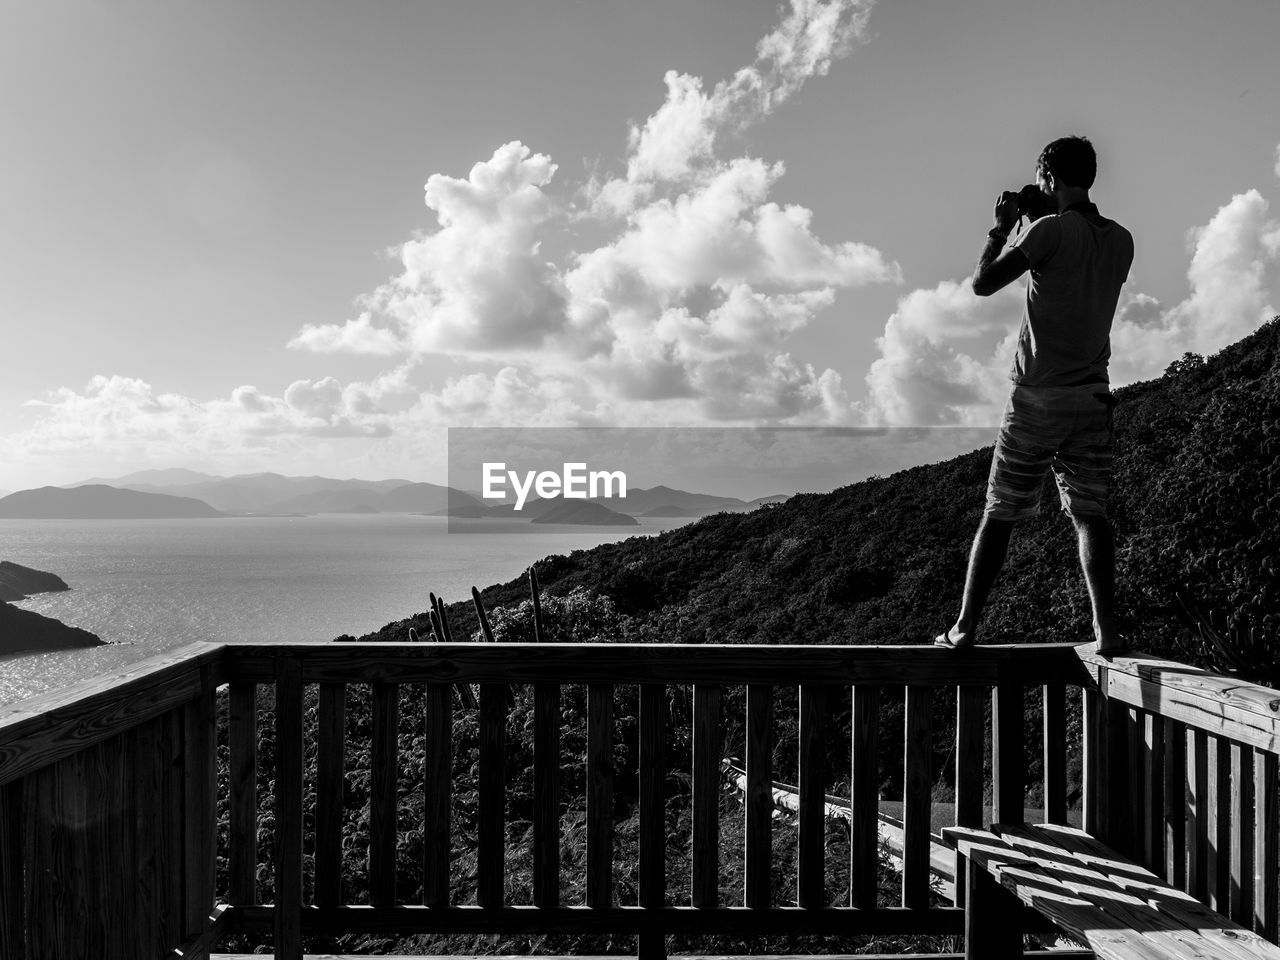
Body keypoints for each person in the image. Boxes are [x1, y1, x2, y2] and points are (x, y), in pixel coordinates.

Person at [935, 135, 1134, 656]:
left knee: (1001, 512)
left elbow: (982, 284)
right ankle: (1107, 631)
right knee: (1091, 513)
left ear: (1048, 176)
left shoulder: (1046, 231)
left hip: (1038, 398)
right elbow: (1076, 263)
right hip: (1093, 397)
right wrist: (1050, 215)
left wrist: (1002, 227)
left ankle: (964, 627)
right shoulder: (1122, 240)